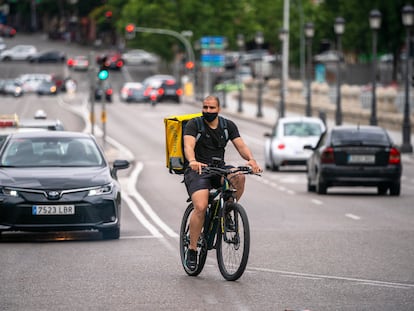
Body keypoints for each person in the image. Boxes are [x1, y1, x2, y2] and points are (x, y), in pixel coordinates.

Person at [183, 95, 262, 271]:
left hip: (218, 168)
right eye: (205, 107)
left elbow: (240, 145)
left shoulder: (228, 126)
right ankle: (193, 249)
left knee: (239, 176)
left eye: (212, 108)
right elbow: (188, 145)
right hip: (198, 170)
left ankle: (227, 210)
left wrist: (251, 160)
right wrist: (192, 161)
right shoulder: (194, 124)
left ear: (219, 109)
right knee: (201, 207)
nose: (208, 111)